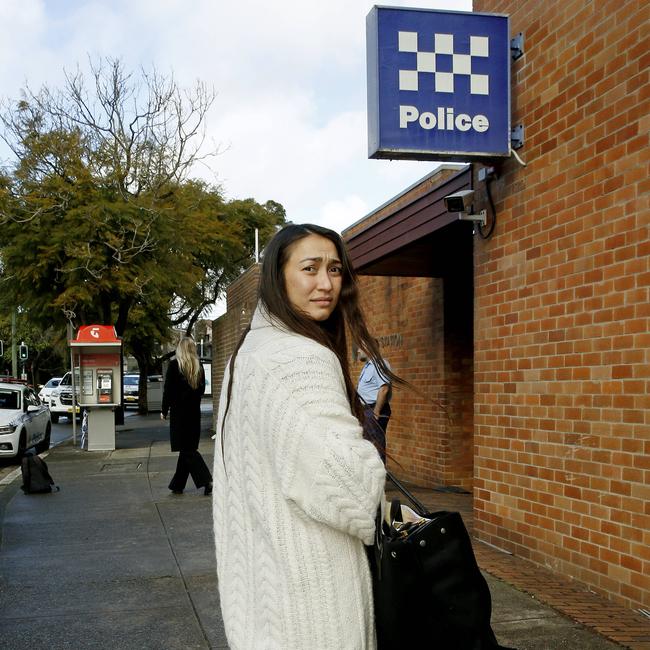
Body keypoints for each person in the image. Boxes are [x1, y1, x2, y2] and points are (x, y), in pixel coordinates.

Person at [213, 224, 401, 649]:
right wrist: (370, 454)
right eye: (310, 268)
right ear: (278, 277)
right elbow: (353, 492)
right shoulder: (300, 358)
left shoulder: (248, 356)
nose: (326, 283)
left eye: (335, 270)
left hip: (263, 603)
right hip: (314, 606)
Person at [161, 337, 212, 496]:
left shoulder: (174, 365)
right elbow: (201, 391)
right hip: (194, 414)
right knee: (187, 449)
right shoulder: (199, 367)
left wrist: (164, 410)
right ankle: (177, 485)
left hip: (179, 415)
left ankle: (206, 481)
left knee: (187, 450)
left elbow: (168, 391)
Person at [357, 347, 392, 463]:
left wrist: (376, 412)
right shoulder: (367, 367)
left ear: (368, 347)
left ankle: (379, 480)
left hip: (374, 410)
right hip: (366, 411)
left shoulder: (380, 364)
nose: (357, 351)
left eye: (360, 348)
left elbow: (384, 389)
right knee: (368, 448)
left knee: (375, 449)